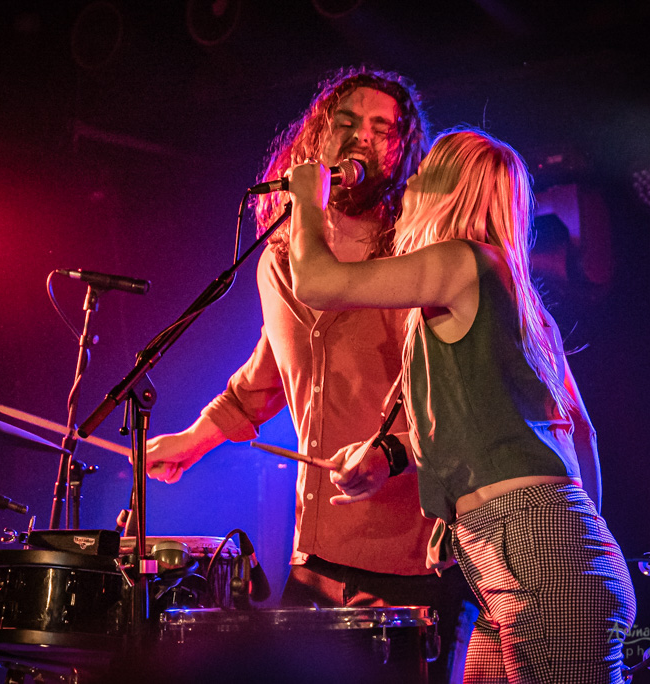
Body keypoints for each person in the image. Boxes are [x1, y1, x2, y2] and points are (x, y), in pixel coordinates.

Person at [145, 66, 478, 681]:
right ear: (317, 137)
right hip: (317, 552)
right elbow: (265, 376)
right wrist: (192, 440)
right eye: (346, 121)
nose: (361, 137)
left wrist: (391, 454)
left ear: (402, 151)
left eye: (382, 129)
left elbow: (458, 395)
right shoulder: (279, 259)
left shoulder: (417, 253)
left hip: (412, 553)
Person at [287, 127, 636, 682]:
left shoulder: (463, 260)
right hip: (528, 555)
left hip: (535, 554)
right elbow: (577, 433)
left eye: (423, 173)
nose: (408, 184)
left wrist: (307, 201)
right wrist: (480, 513)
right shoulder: (518, 300)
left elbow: (317, 283)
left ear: (447, 191)